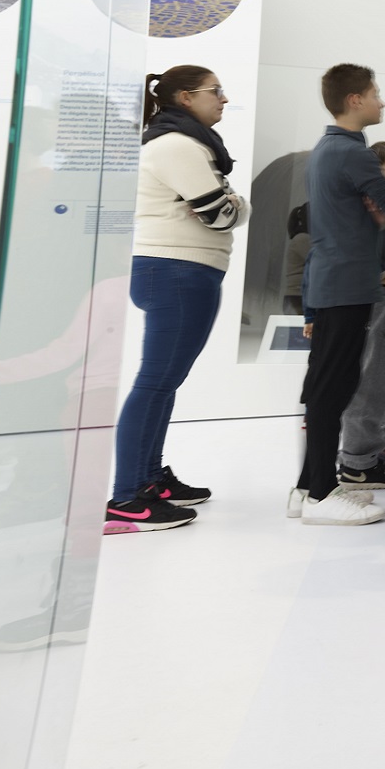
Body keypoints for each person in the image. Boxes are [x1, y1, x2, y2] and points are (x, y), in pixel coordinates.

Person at [107, 66, 249, 533]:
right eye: (216, 91)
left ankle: (149, 480)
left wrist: (226, 202)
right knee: (155, 382)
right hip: (176, 270)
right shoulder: (177, 146)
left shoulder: (188, 144)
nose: (224, 99)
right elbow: (222, 213)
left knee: (163, 381)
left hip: (183, 270)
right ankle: (127, 498)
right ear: (186, 98)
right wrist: (234, 202)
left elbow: (216, 208)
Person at [292, 64, 385, 526]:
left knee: (326, 385)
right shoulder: (351, 154)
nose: (381, 101)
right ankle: (319, 494)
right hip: (344, 284)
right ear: (355, 99)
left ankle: (307, 487)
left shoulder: (331, 149)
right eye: (375, 93)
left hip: (338, 281)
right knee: (331, 388)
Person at [337, 142, 385, 490]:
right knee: (371, 381)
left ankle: (367, 456)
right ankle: (357, 462)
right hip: (377, 301)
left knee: (382, 380)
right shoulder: (373, 214)